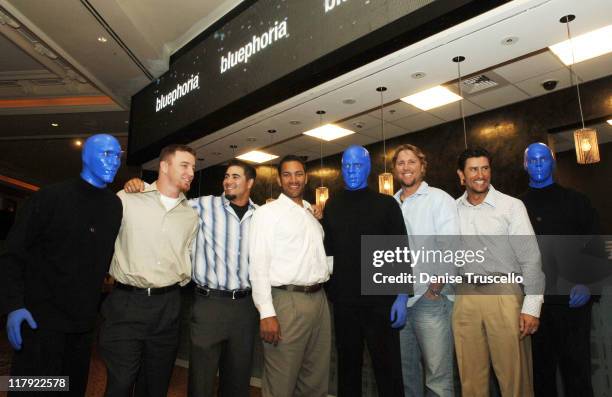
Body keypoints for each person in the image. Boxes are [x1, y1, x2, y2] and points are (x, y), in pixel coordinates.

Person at [124, 159, 260, 397]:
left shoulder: (262, 216)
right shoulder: (203, 206)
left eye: (235, 177)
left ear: (250, 182)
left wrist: (312, 209)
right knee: (201, 381)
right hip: (209, 305)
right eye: (226, 176)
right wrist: (142, 186)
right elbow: (168, 199)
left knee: (238, 380)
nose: (228, 181)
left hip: (246, 307)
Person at [2, 134, 123, 396]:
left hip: (82, 326)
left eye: (117, 155)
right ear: (85, 156)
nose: (113, 161)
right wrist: (13, 305)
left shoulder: (114, 206)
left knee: (70, 389)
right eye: (105, 154)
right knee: (29, 390)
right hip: (39, 322)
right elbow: (12, 254)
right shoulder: (49, 198)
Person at [99, 144, 198, 397]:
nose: (191, 173)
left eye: (194, 168)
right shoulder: (128, 198)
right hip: (127, 304)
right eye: (184, 166)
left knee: (156, 385)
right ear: (164, 166)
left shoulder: (191, 216)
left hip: (169, 306)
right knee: (121, 383)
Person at [453, 147, 545, 397]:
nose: (480, 174)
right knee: (470, 380)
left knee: (514, 379)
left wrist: (531, 307)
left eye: (485, 168)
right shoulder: (452, 210)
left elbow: (531, 258)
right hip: (465, 296)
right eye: (473, 169)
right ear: (462, 175)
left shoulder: (511, 206)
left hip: (504, 294)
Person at [322, 145, 407, 397]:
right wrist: (330, 289)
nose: (351, 170)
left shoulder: (386, 204)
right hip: (345, 303)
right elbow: (328, 252)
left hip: (381, 301)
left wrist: (402, 297)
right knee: (348, 371)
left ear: (369, 168)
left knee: (388, 370)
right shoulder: (332, 205)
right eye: (347, 166)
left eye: (357, 165)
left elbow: (399, 251)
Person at [249, 155, 332, 397]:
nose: (293, 180)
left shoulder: (311, 213)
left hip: (319, 300)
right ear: (279, 179)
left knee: (315, 380)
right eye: (287, 174)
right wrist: (266, 312)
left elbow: (318, 258)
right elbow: (258, 264)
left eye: (298, 174)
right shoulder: (267, 213)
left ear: (306, 177)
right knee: (281, 382)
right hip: (287, 301)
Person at [521, 142, 597, 397]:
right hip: (534, 308)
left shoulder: (577, 200)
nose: (539, 164)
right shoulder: (516, 207)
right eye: (533, 160)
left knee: (578, 374)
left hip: (573, 303)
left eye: (543, 159)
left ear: (552, 162)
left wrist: (588, 285)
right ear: (525, 165)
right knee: (540, 377)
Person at [391, 144, 460, 397]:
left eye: (411, 162)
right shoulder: (391, 203)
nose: (406, 167)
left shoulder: (439, 199)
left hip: (429, 299)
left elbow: (451, 244)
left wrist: (436, 286)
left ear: (422, 166)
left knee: (438, 380)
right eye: (401, 163)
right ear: (395, 169)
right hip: (400, 302)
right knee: (406, 375)